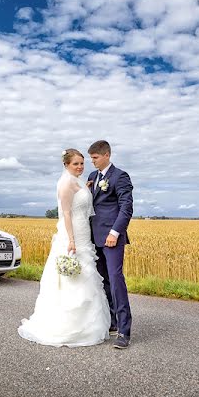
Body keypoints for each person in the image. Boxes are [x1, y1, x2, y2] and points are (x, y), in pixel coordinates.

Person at [18, 149, 111, 347]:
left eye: (82, 163)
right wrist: (71, 240)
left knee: (86, 273)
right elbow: (66, 213)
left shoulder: (77, 182)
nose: (80, 167)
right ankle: (69, 325)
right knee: (73, 277)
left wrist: (85, 188)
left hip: (84, 232)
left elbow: (81, 199)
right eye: (75, 164)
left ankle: (89, 323)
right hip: (74, 233)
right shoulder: (65, 183)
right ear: (66, 165)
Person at [87, 140, 134, 349]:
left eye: (95, 158)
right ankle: (112, 323)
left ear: (106, 155)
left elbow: (126, 208)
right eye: (91, 158)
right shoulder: (91, 177)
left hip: (112, 238)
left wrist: (115, 232)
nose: (92, 162)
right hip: (93, 238)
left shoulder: (120, 176)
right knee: (103, 282)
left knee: (116, 281)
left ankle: (124, 331)